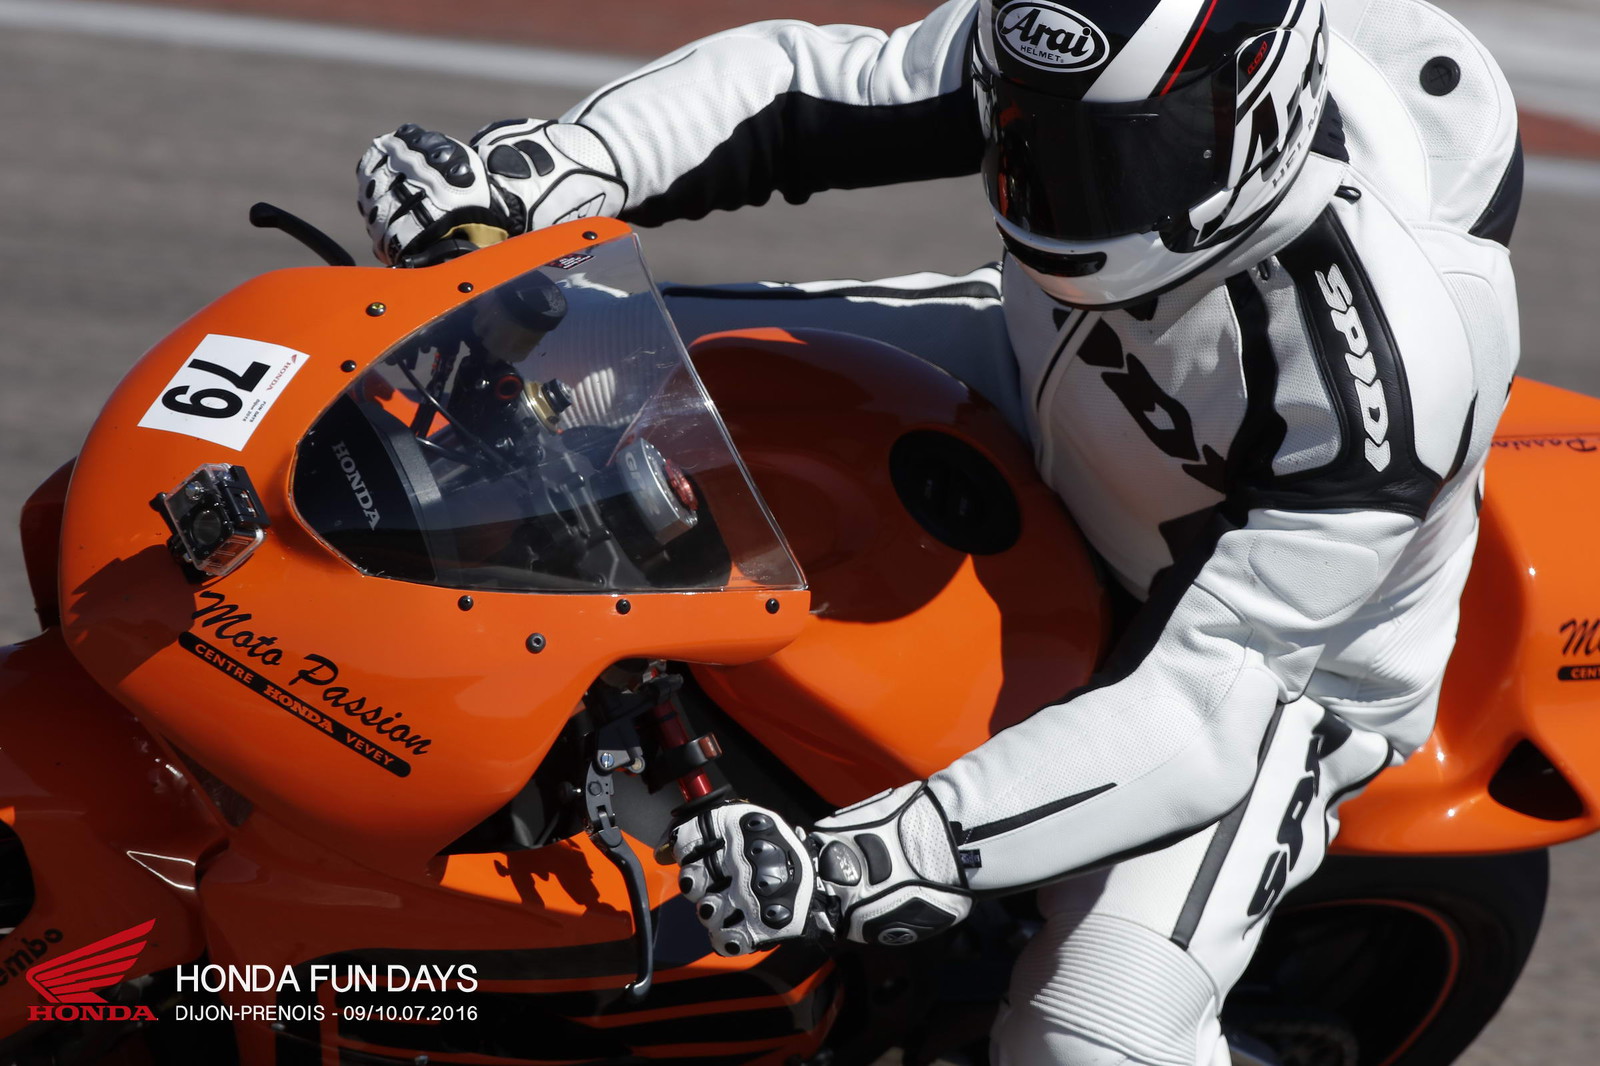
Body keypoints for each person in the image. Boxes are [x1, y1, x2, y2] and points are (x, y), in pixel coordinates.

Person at [356, 0, 1522, 1060]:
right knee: (537, 346)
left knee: (1087, 1040)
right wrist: (537, 172)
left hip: (1269, 660)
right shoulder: (1072, 55)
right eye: (1030, 145)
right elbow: (806, 84)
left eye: (1113, 161)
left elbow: (1201, 708)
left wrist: (888, 852)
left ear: (1253, 117)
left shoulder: (1391, 359)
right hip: (1032, 365)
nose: (1060, 193)